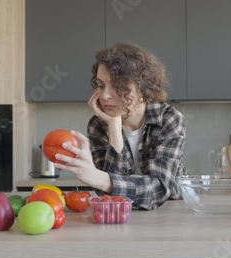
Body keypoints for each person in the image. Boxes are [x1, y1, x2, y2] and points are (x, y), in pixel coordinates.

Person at [54, 42, 188, 210]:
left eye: (118, 86)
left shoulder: (169, 119)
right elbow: (110, 196)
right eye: (101, 85)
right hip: (122, 214)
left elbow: (159, 189)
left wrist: (98, 177)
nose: (105, 95)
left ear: (142, 88)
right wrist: (114, 126)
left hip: (170, 211)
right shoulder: (98, 125)